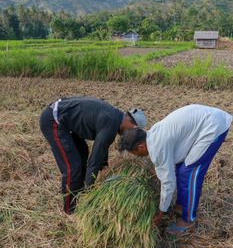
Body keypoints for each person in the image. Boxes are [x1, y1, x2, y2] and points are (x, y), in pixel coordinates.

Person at [118, 104, 232, 235]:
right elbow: (171, 166)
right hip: (206, 119)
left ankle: (188, 220)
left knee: (189, 173)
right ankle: (182, 205)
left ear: (141, 147)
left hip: (212, 127)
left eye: (134, 153)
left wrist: (161, 212)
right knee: (180, 168)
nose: (137, 157)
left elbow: (168, 182)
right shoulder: (153, 134)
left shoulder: (157, 149)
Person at [40, 96, 147, 214]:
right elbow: (94, 161)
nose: (131, 134)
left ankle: (78, 194)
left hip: (67, 122)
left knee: (83, 153)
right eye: (133, 130)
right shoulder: (111, 124)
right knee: (73, 167)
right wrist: (89, 193)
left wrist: (104, 165)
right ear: (131, 123)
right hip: (54, 120)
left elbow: (102, 146)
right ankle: (69, 211)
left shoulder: (115, 118)